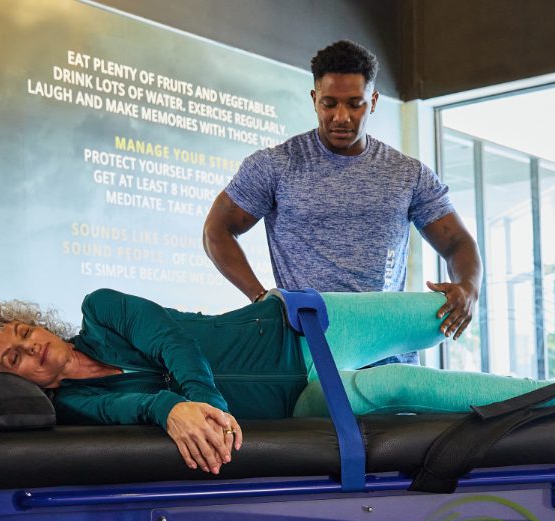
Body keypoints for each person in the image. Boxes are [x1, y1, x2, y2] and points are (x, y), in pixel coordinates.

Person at [0, 288, 555, 477]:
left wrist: (196, 401)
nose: (29, 351)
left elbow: (175, 343)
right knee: (390, 391)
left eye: (24, 334)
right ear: (16, 379)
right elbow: (137, 404)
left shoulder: (101, 309)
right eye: (13, 359)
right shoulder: (81, 406)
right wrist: (170, 408)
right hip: (290, 403)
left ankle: (453, 306)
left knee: (436, 313)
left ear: (43, 324)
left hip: (296, 326)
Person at [202, 39, 482, 361]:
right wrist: (262, 298)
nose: (341, 117)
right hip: (308, 351)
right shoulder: (276, 165)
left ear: (373, 101)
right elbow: (216, 230)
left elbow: (457, 241)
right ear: (314, 99)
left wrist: (469, 288)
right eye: (329, 103)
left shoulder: (407, 174)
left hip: (389, 354)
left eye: (354, 103)